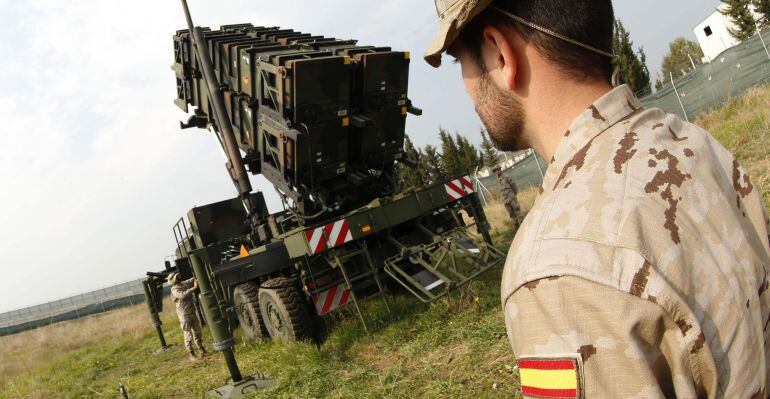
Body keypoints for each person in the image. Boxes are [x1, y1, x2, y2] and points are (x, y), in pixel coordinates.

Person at [425, 0, 770, 397]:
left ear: (500, 52)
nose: (465, 85)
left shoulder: (551, 270)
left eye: (458, 61)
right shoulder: (692, 144)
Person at [167, 272, 208, 362]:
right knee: (188, 334)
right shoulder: (174, 289)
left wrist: (195, 277)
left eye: (178, 276)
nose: (179, 278)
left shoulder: (183, 283)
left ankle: (202, 349)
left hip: (192, 312)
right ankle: (191, 354)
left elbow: (191, 280)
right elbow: (182, 295)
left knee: (197, 332)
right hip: (184, 315)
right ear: (173, 280)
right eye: (176, 277)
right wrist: (194, 288)